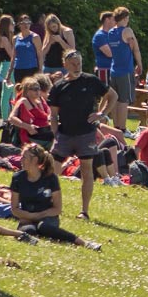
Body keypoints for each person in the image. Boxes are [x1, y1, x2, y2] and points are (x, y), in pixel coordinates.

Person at [46, 52, 114, 219]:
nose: (77, 67)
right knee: (52, 171)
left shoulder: (90, 80)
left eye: (79, 63)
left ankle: (84, 210)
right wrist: (55, 132)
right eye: (73, 64)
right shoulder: (59, 86)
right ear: (65, 64)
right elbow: (53, 114)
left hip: (86, 134)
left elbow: (112, 96)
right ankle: (50, 205)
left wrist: (101, 114)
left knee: (86, 170)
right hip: (64, 134)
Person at [10, 144, 102, 250]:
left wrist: (39, 215)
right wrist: (30, 216)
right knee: (29, 231)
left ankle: (83, 242)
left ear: (34, 160)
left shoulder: (50, 178)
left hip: (48, 217)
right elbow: (15, 209)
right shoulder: (17, 178)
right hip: (27, 218)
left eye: (24, 157)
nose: (21, 160)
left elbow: (57, 209)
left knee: (43, 227)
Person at [106, 8, 140, 131]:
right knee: (123, 100)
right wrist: (140, 65)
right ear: (125, 18)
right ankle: (123, 128)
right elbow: (135, 49)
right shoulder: (127, 31)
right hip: (125, 70)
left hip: (114, 70)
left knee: (114, 99)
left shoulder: (110, 32)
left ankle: (116, 126)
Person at [6, 76, 52, 146]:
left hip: (44, 131)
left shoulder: (40, 100)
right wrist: (28, 127)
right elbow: (11, 118)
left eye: (38, 88)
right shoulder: (23, 101)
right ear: (27, 91)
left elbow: (47, 114)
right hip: (30, 134)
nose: (37, 91)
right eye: (34, 89)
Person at [10, 15, 42, 82]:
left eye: (28, 23)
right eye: (23, 23)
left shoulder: (35, 37)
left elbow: (40, 55)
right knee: (19, 90)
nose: (26, 25)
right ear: (19, 24)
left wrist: (40, 70)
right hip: (18, 69)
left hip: (31, 68)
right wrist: (9, 72)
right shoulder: (15, 38)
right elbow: (13, 56)